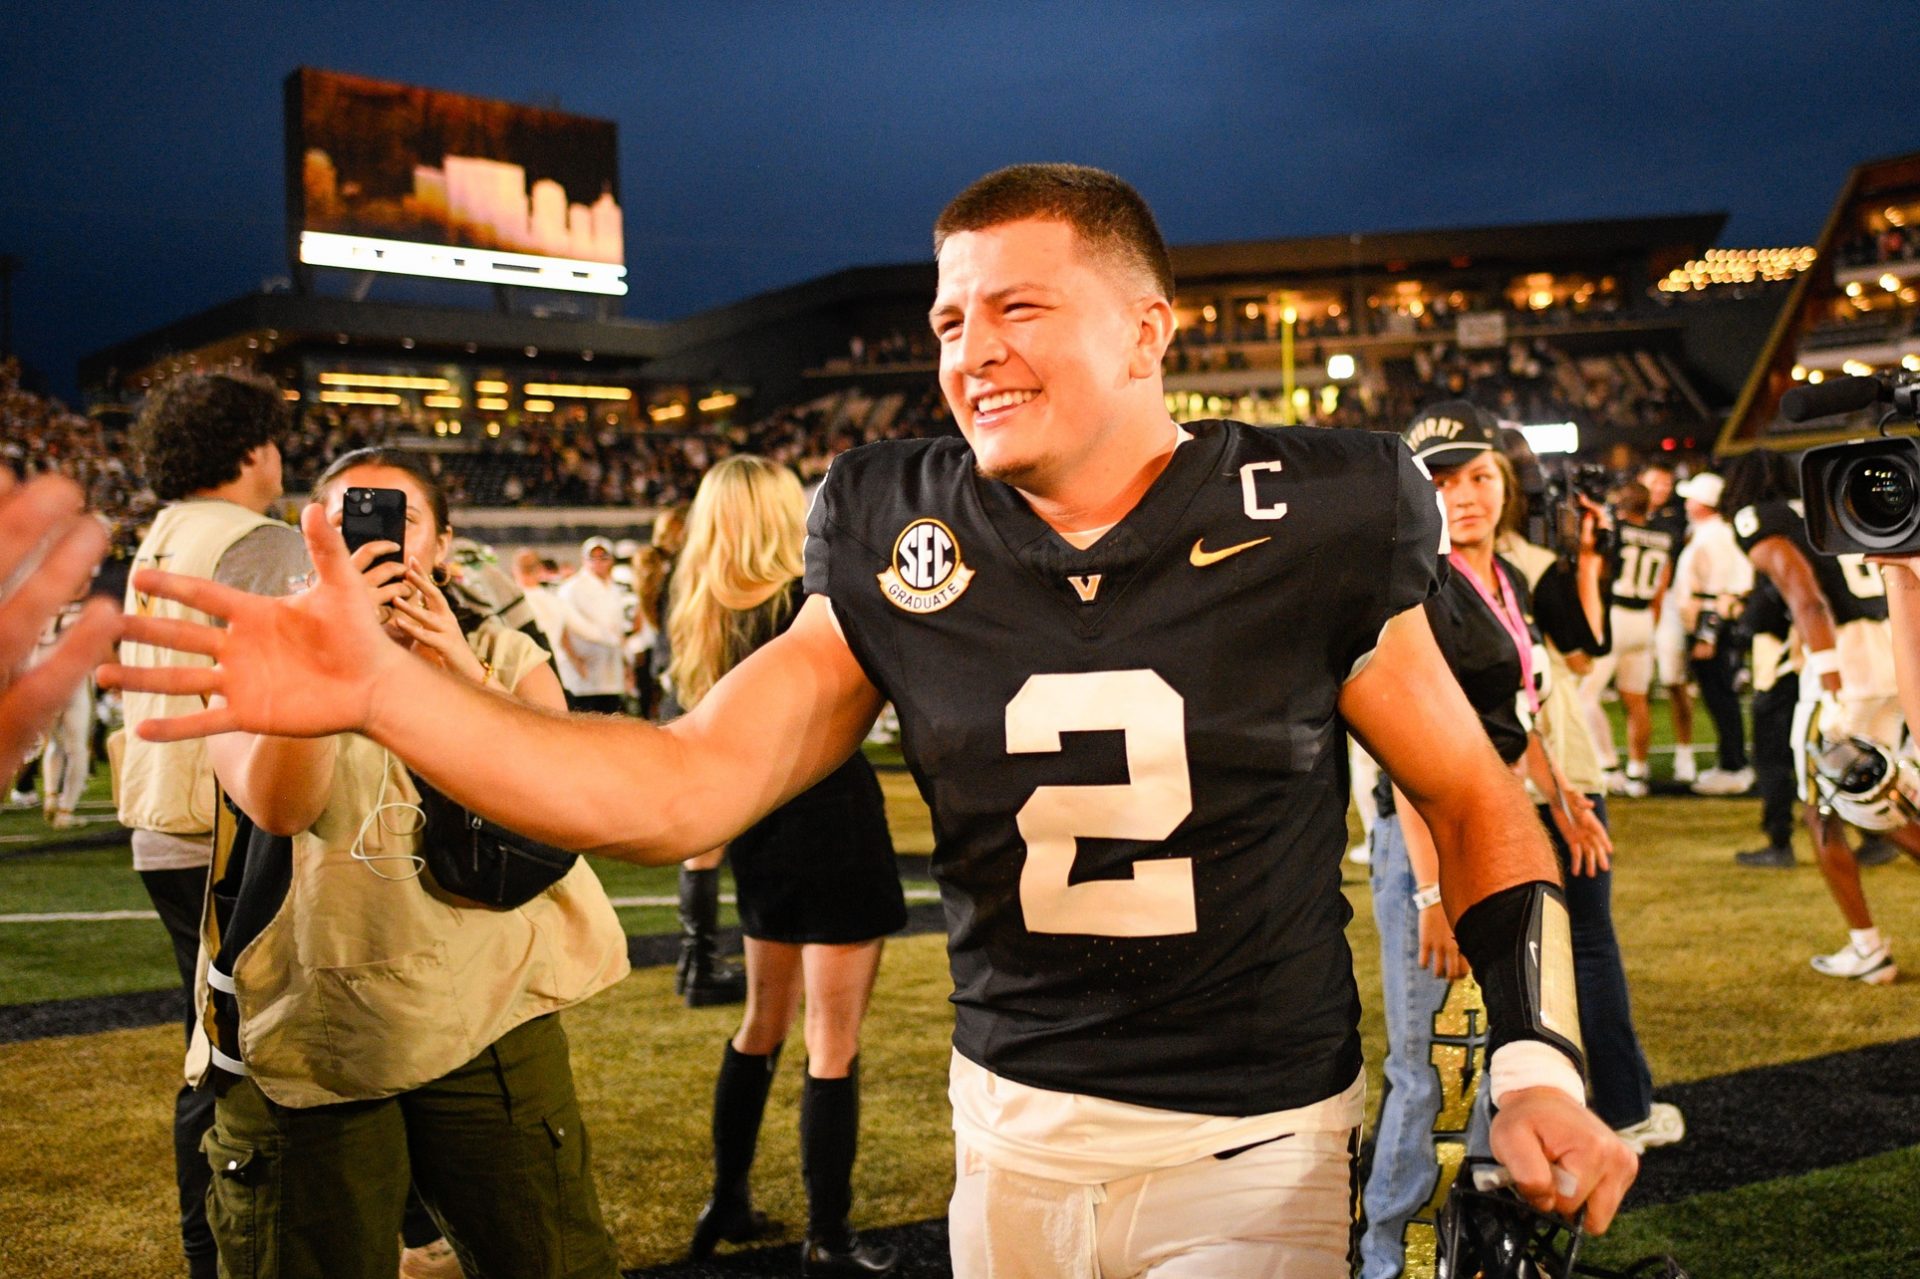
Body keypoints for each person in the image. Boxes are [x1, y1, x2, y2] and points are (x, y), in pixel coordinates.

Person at [107, 163, 1636, 1277]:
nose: (970, 346)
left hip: (1243, 1151)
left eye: (1019, 305)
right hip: (1008, 1135)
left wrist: (1534, 1060)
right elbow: (692, 781)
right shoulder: (895, 523)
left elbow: (1475, 795)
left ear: (1149, 328)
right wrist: (389, 691)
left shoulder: (1308, 503)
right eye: (950, 313)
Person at [1361, 406, 1665, 1279]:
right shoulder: (1405, 582)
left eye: (1479, 476)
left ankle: (1468, 1243)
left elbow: (1518, 716)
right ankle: (1393, 1257)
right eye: (1443, 480)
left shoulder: (1507, 581)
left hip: (1501, 825)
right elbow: (1409, 759)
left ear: (1507, 485)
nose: (1465, 496)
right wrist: (1428, 892)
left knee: (1508, 1055)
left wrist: (1564, 798)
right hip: (1435, 837)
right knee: (1432, 1067)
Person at [670, 456, 906, 1275]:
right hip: (833, 824)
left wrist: (699, 882)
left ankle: (726, 1197)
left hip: (759, 835)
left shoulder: (700, 612)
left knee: (759, 1028)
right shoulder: (806, 603)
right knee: (829, 1043)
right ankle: (828, 1237)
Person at [115, 371, 304, 1279]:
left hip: (164, 812)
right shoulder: (253, 541)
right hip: (226, 819)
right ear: (252, 447)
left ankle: (213, 1244)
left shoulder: (166, 531)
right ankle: (224, 1245)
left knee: (216, 1038)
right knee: (244, 1050)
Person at [1723, 450, 1915, 982]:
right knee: (1885, 794)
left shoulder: (1759, 520)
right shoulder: (1830, 504)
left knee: (1826, 807)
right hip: (1895, 648)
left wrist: (1829, 678)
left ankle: (1868, 947)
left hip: (1845, 663)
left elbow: (1806, 598)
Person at [0, 469, 116, 797]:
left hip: (38, 662)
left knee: (51, 745)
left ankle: (45, 797)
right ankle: (54, 803)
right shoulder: (55, 598)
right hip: (62, 671)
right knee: (71, 746)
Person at [1581, 481, 1673, 797]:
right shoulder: (1663, 535)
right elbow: (1661, 588)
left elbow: (1598, 570)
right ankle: (1638, 771)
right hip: (1644, 618)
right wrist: (1651, 624)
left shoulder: (1617, 531)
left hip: (1616, 615)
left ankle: (1608, 766)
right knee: (1636, 700)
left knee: (1585, 695)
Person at [1668, 473, 1755, 795]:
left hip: (1713, 624)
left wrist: (1707, 635)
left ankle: (1734, 765)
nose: (1687, 503)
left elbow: (1720, 588)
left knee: (1721, 697)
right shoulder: (1713, 533)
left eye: (1692, 498)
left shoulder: (1713, 536)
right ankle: (1732, 762)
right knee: (1721, 697)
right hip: (1715, 621)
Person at [1640, 461, 1698, 783]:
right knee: (1633, 687)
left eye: (1665, 484)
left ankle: (1685, 754)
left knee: (1675, 680)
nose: (1661, 490)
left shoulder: (1676, 519)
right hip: (1633, 607)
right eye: (1654, 483)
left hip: (1668, 603)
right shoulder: (1625, 515)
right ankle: (1637, 761)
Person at [553, 535, 628, 713]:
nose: (598, 562)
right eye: (593, 557)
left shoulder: (615, 588)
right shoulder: (570, 588)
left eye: (603, 557)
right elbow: (564, 628)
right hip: (583, 672)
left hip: (611, 671)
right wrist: (575, 661)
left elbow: (618, 629)